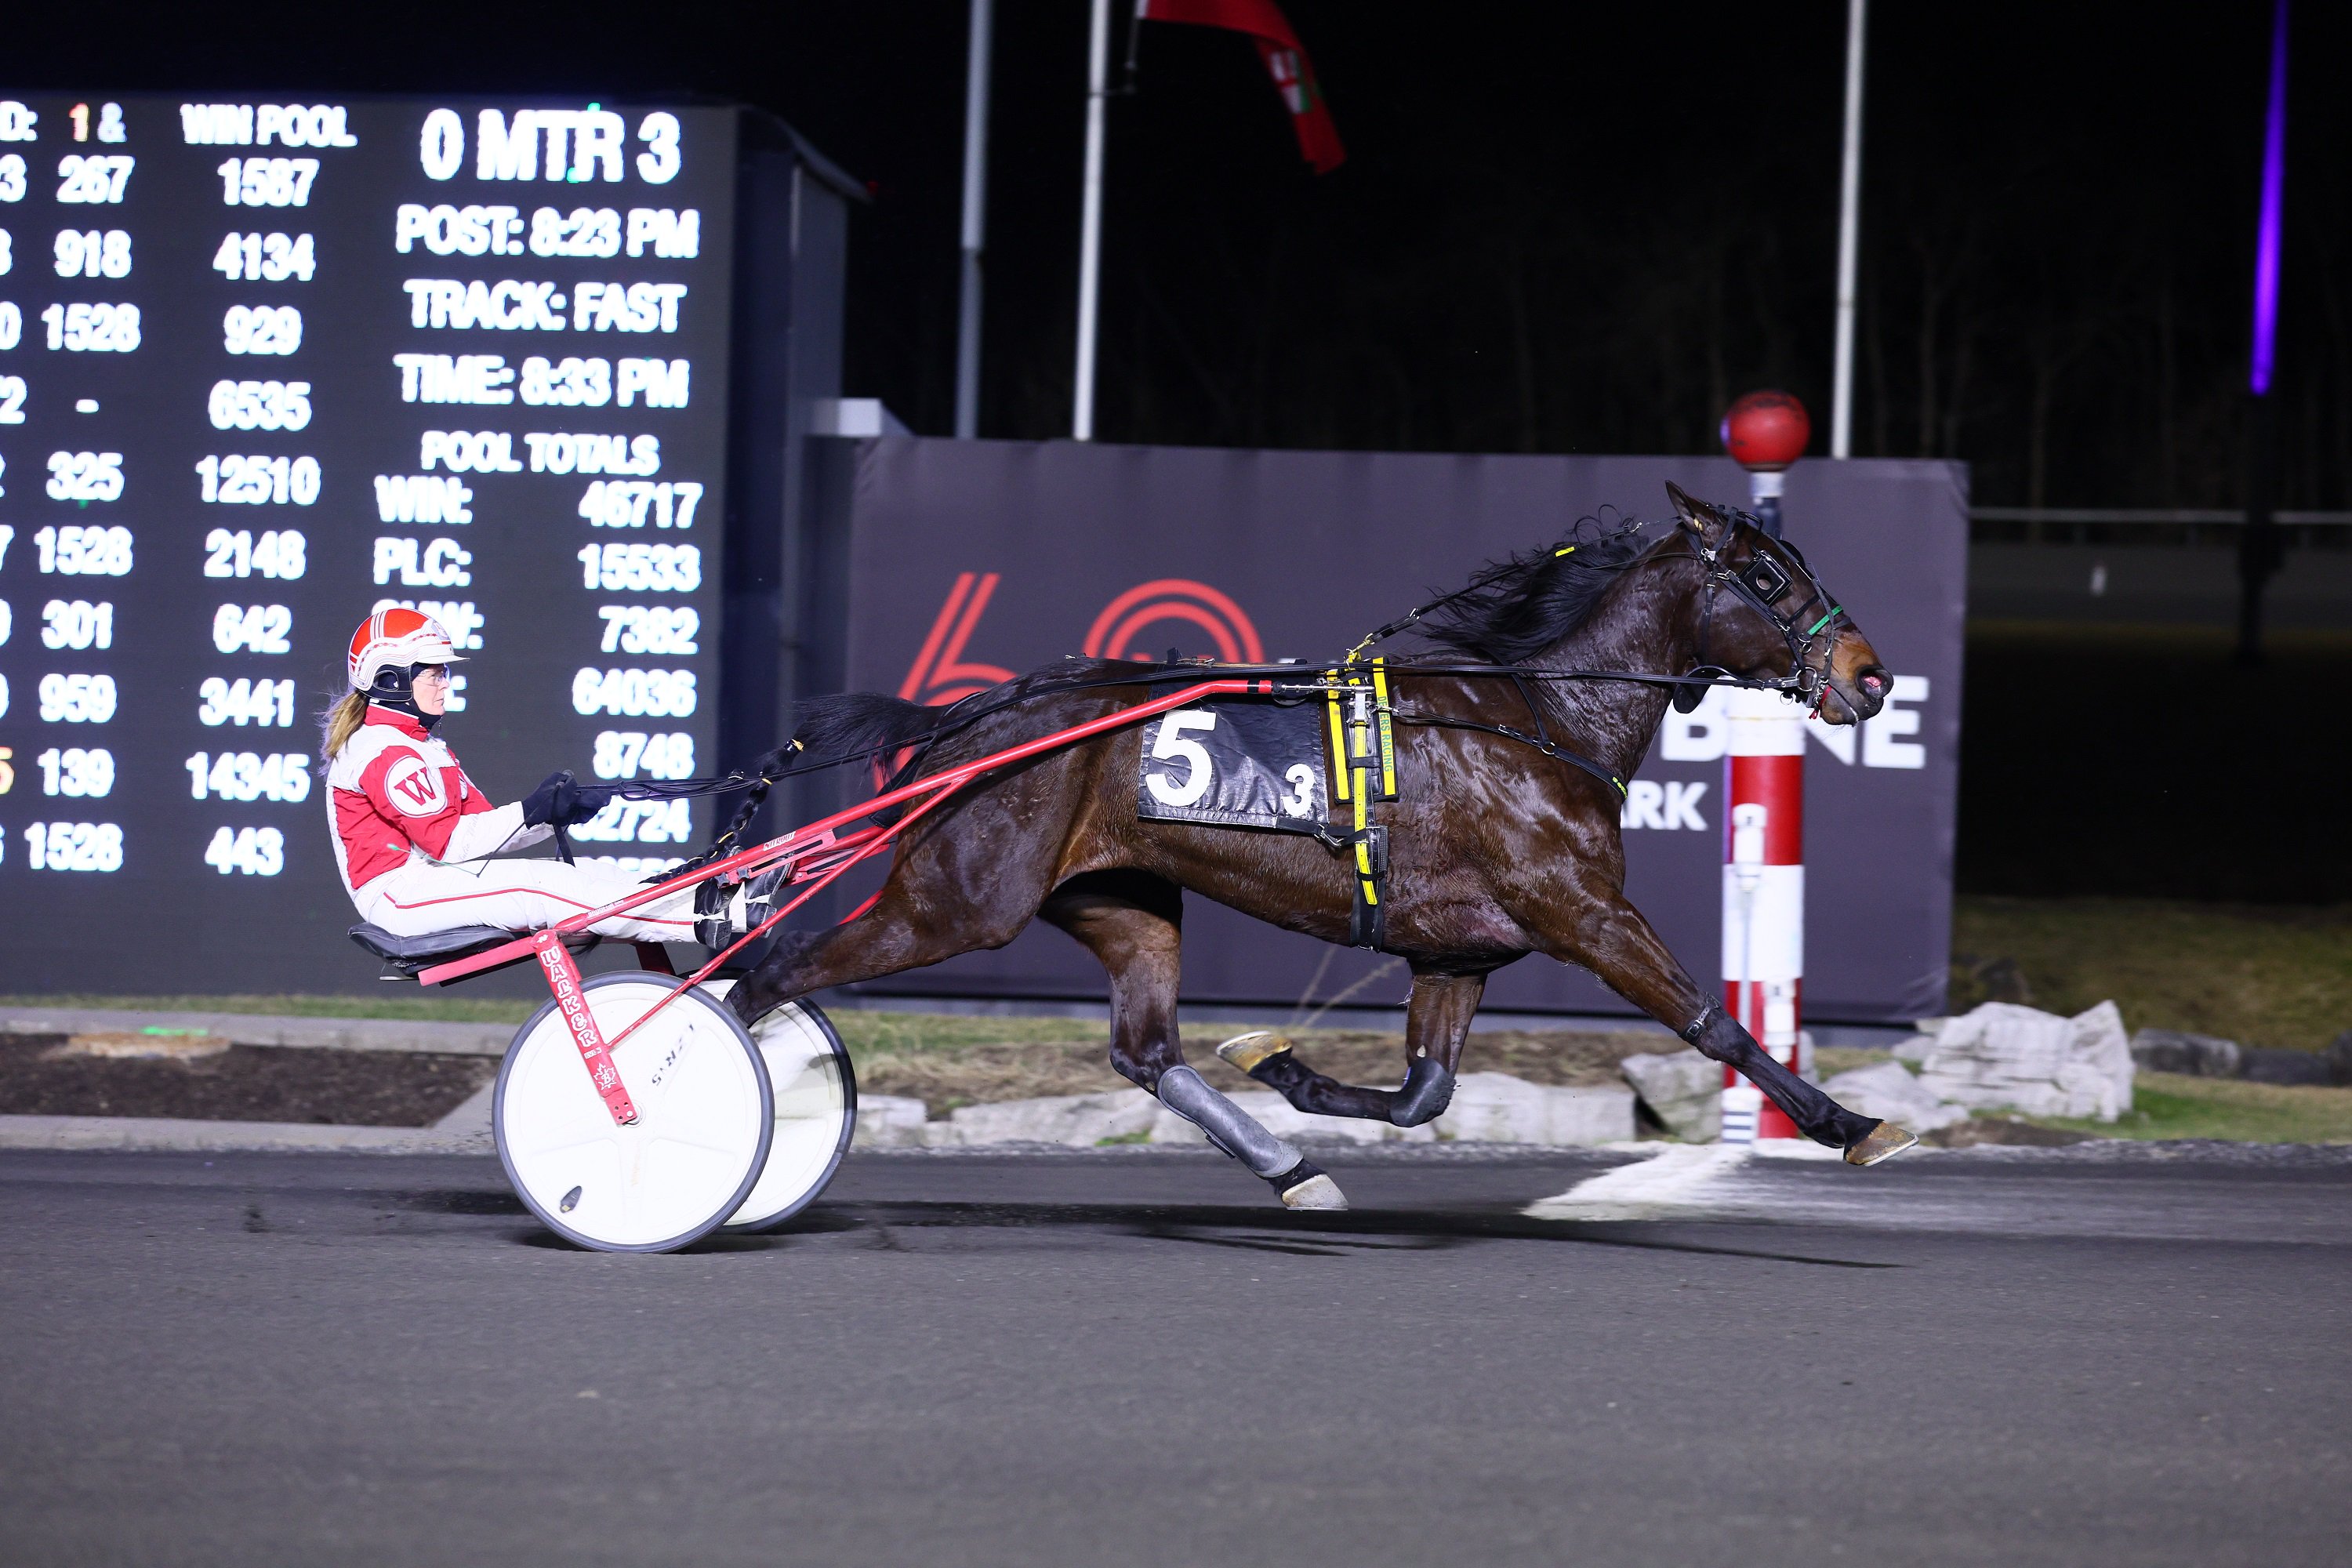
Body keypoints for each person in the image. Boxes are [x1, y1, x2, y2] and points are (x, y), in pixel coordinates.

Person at [323, 608, 700, 946]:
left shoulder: (426, 747)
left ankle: (700, 897)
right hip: (398, 894)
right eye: (434, 675)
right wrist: (529, 810)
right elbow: (450, 846)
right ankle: (706, 919)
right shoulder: (381, 750)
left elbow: (487, 833)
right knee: (544, 887)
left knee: (587, 871)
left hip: (431, 880)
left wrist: (553, 815)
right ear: (391, 680)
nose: (445, 684)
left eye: (445, 673)